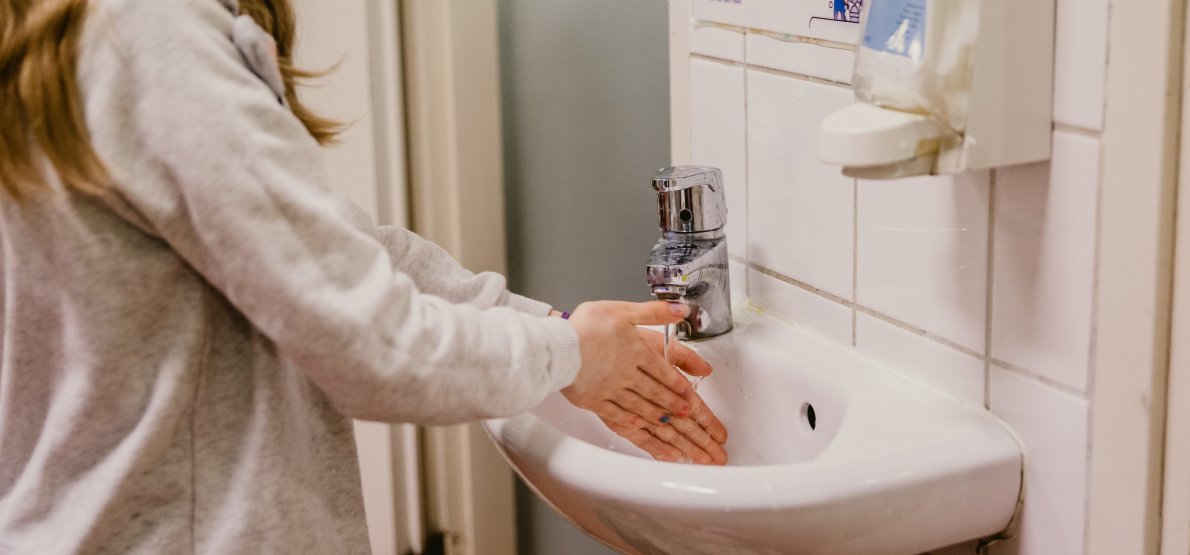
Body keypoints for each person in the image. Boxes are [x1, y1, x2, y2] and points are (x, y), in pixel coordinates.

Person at [0, 0, 729, 552]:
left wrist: (551, 329)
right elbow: (375, 345)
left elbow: (337, 247)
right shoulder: (149, 33)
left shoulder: (77, 30)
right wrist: (571, 353)